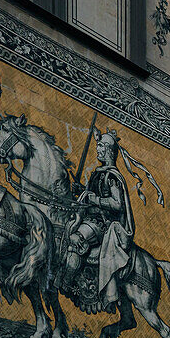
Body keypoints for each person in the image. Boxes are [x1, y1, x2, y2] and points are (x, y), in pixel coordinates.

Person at [62, 130, 135, 305]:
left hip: (101, 223)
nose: (98, 149)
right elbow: (90, 194)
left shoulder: (112, 176)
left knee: (75, 238)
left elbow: (118, 204)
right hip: (89, 218)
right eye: (98, 146)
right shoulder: (98, 173)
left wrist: (95, 199)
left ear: (109, 150)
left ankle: (66, 284)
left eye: (101, 146)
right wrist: (82, 191)